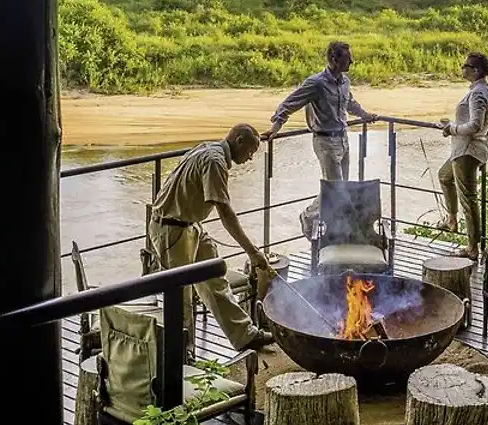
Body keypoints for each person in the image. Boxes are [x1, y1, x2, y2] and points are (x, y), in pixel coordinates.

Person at [146, 123, 276, 351]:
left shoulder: (210, 148)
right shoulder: (215, 161)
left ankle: (245, 335)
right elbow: (225, 212)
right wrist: (253, 252)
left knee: (215, 278)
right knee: (181, 299)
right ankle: (183, 356)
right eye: (251, 151)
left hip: (190, 225)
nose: (250, 158)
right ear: (239, 141)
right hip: (171, 229)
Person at [266, 41, 381, 232]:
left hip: (343, 138)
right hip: (325, 141)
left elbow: (350, 103)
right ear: (334, 59)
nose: (352, 61)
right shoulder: (316, 83)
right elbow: (289, 104)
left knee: (341, 186)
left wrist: (365, 116)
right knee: (336, 189)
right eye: (347, 58)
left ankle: (334, 227)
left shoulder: (345, 82)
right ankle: (310, 217)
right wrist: (275, 127)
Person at [438, 52, 488, 259]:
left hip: (468, 151)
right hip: (461, 149)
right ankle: (452, 220)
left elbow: (475, 125)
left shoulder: (478, 93)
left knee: (469, 200)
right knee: (445, 176)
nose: (462, 68)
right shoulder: (477, 90)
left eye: (466, 65)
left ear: (475, 70)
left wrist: (450, 129)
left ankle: (473, 248)